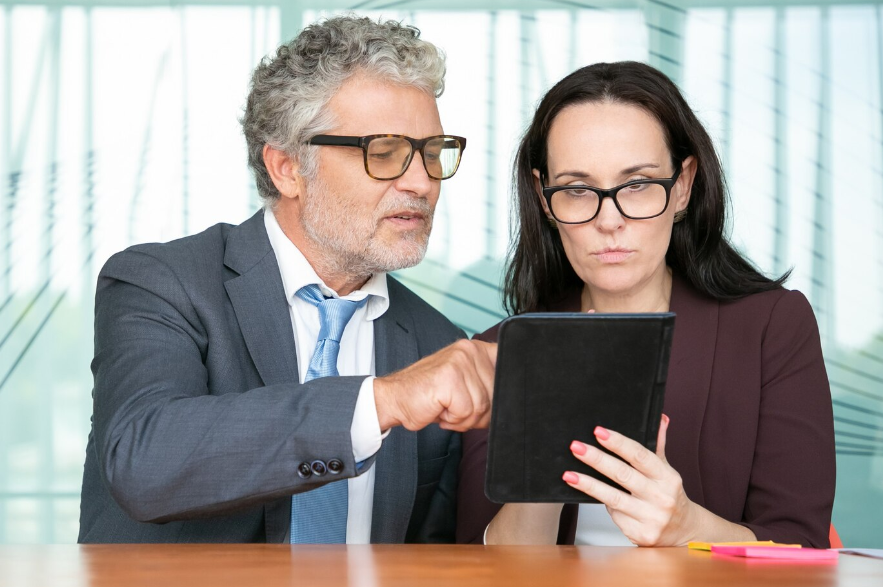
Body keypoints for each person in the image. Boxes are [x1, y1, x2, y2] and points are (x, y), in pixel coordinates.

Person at [78, 15, 496, 544]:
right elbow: (144, 461)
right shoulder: (162, 283)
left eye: (432, 153)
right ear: (286, 168)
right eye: (385, 152)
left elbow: (426, 553)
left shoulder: (436, 342)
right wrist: (379, 402)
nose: (421, 182)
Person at [457, 61, 834, 548]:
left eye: (636, 184)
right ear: (544, 199)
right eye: (576, 189)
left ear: (682, 186)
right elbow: (473, 562)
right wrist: (545, 436)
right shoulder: (497, 351)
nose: (609, 220)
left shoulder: (771, 328)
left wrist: (687, 528)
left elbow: (803, 549)